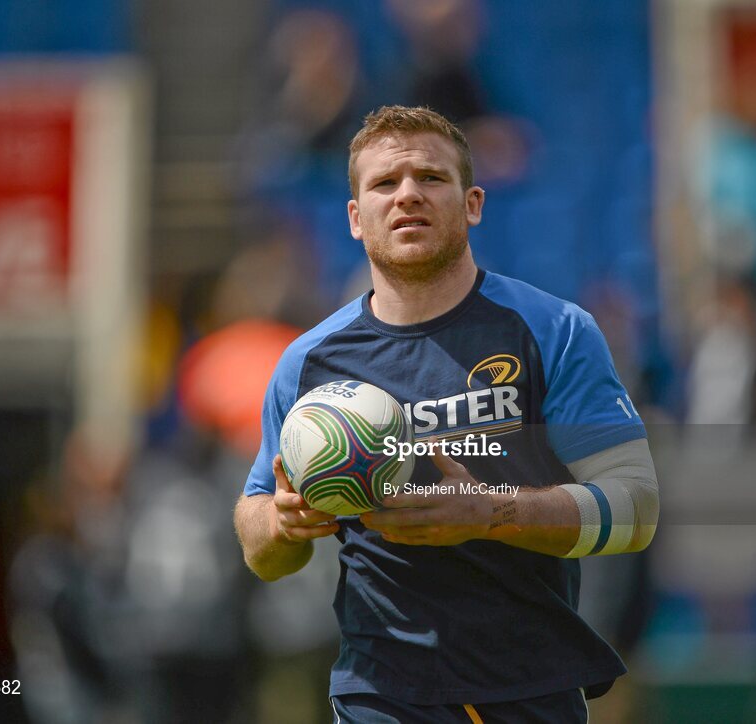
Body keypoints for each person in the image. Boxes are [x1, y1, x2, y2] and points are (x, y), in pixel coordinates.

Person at [233, 105, 659, 723]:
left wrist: (491, 513)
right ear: (355, 218)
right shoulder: (308, 363)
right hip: (378, 692)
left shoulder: (554, 330)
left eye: (431, 178)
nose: (407, 194)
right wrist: (284, 523)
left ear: (473, 204)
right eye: (384, 183)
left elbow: (637, 508)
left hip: (528, 686)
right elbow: (256, 540)